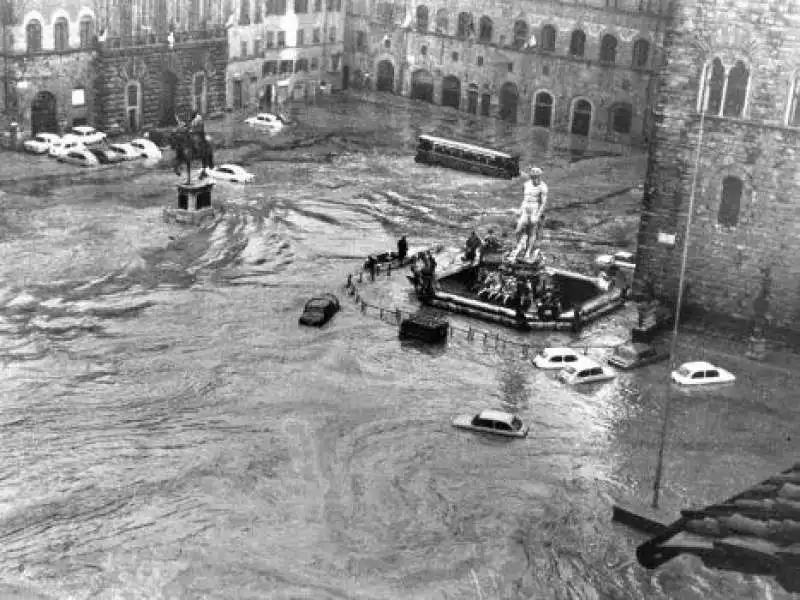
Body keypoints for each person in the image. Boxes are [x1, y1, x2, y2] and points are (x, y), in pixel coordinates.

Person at [510, 166, 548, 261]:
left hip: (535, 209)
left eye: (535, 176)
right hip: (525, 209)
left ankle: (528, 252)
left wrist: (537, 215)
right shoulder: (526, 184)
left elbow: (543, 203)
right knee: (518, 230)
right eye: (532, 175)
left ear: (539, 176)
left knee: (532, 232)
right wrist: (520, 210)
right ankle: (522, 246)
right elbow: (525, 198)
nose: (533, 177)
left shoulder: (543, 187)